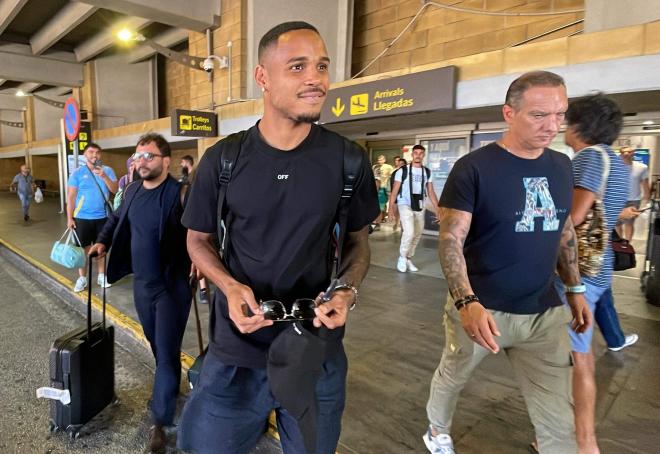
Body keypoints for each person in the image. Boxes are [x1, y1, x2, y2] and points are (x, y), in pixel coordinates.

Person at [177, 21, 379, 454]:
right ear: (263, 78)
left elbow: (359, 240)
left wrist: (346, 290)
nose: (315, 78)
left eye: (322, 66)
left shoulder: (348, 160)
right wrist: (229, 287)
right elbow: (198, 239)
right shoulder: (223, 160)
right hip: (235, 355)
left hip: (315, 353)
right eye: (298, 66)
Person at [423, 71, 591, 454]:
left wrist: (575, 287)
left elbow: (564, 230)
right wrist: (466, 303)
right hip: (483, 311)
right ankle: (436, 429)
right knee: (453, 375)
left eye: (559, 114)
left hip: (543, 313)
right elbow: (450, 240)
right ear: (509, 114)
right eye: (538, 115)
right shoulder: (474, 168)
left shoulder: (562, 165)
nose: (552, 126)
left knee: (558, 419)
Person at [89, 133, 191, 453]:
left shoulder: (179, 194)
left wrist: (201, 264)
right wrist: (103, 241)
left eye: (148, 156)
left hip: (171, 287)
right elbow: (115, 219)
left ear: (166, 161)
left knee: (165, 346)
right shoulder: (131, 191)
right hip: (142, 287)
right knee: (159, 346)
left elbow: (201, 232)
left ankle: (160, 422)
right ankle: (169, 387)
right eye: (137, 156)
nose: (141, 162)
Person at [563, 94, 640, 454]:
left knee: (579, 357)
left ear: (579, 125)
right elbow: (620, 211)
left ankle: (584, 442)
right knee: (580, 353)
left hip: (578, 270)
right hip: (600, 265)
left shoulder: (589, 157)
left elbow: (574, 218)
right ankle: (569, 432)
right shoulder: (618, 162)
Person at [66, 143, 117, 292]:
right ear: (85, 154)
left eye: (97, 152)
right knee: (84, 250)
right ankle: (82, 278)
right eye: (91, 152)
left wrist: (104, 176)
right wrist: (70, 218)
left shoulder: (107, 170)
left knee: (101, 249)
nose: (94, 155)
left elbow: (114, 189)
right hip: (82, 218)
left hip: (103, 217)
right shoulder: (77, 173)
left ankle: (102, 276)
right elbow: (71, 197)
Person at [388, 144, 440, 273]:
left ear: (424, 155)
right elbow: (394, 191)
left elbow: (431, 191)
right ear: (412, 155)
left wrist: (438, 210)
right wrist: (390, 210)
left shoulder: (427, 172)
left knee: (417, 233)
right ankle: (401, 257)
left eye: (421, 153)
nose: (418, 155)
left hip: (419, 204)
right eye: (415, 153)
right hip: (404, 203)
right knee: (409, 231)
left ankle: (408, 258)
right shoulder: (402, 171)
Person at [617, 146, 651, 241]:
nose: (626, 154)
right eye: (623, 152)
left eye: (629, 152)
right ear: (621, 154)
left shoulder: (642, 167)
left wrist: (646, 202)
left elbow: (645, 184)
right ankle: (618, 243)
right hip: (618, 199)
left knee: (629, 223)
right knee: (617, 223)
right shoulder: (615, 167)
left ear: (633, 153)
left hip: (634, 199)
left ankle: (627, 244)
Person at [372, 154, 394, 224]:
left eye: (381, 159)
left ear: (384, 160)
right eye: (379, 160)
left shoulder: (388, 167)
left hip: (383, 187)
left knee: (382, 204)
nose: (380, 161)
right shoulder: (375, 166)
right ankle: (378, 219)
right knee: (376, 203)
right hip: (375, 187)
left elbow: (392, 175)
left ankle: (382, 218)